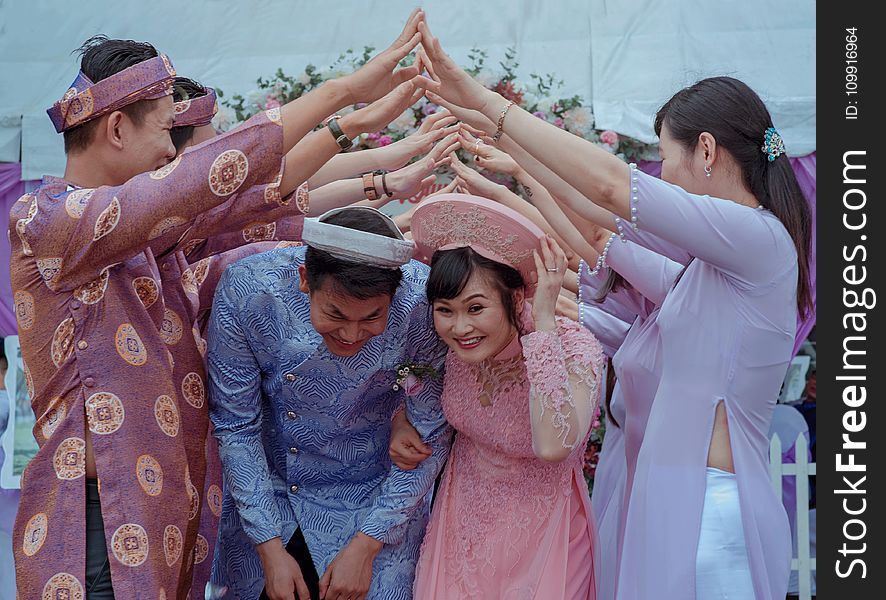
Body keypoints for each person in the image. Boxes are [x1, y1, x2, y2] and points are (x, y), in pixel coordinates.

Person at [9, 10, 432, 597]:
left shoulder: (148, 242)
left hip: (165, 515)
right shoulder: (46, 222)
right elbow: (195, 184)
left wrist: (357, 131)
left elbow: (263, 197)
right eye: (166, 130)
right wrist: (341, 91)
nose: (173, 149)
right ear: (115, 129)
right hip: (96, 517)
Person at [415, 24, 811, 598]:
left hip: (708, 509)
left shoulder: (760, 241)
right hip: (672, 500)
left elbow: (605, 189)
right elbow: (593, 227)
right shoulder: (709, 272)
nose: (662, 174)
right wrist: (511, 157)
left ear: (705, 150)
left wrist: (485, 102)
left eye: (664, 156)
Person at [206, 206, 451, 600]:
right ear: (306, 279)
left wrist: (369, 543)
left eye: (372, 318)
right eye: (334, 314)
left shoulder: (423, 305)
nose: (352, 334)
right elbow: (236, 425)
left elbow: (431, 433)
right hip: (270, 491)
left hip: (375, 494)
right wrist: (268, 546)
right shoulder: (249, 289)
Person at [394, 194, 604, 599]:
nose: (459, 327)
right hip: (460, 528)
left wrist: (544, 325)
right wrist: (399, 418)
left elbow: (552, 446)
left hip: (545, 538)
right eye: (445, 309)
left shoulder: (574, 348)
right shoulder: (458, 347)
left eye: (475, 308)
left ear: (515, 298)